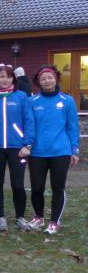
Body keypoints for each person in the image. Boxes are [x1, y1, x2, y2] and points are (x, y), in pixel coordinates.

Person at [28, 65, 79, 235]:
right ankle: (38, 217)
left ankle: (54, 221)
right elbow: (28, 126)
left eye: (50, 77)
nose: (47, 81)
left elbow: (72, 127)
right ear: (38, 82)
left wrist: (74, 150)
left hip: (60, 152)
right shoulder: (32, 101)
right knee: (37, 188)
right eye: (43, 78)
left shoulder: (67, 101)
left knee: (58, 187)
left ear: (56, 79)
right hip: (37, 152)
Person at [0, 64, 35, 232]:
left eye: (8, 76)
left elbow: (29, 121)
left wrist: (27, 144)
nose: (5, 80)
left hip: (17, 147)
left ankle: (20, 217)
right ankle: (0, 217)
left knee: (18, 184)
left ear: (13, 79)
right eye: (1, 76)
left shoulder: (21, 97)